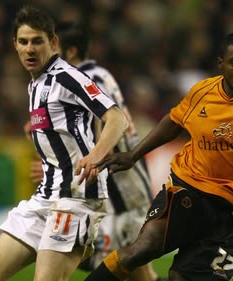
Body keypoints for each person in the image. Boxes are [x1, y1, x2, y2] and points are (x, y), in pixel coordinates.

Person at [85, 31, 233, 281]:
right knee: (141, 249)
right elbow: (174, 122)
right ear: (221, 64)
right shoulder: (202, 91)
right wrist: (133, 155)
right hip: (188, 189)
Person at [0, 5, 128, 281]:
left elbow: (116, 118)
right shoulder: (35, 84)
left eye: (37, 41)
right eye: (23, 42)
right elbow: (63, 134)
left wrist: (96, 154)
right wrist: (50, 166)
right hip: (47, 195)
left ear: (53, 42)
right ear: (15, 45)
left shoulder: (68, 76)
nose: (29, 49)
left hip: (77, 198)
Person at [26, 21, 165, 281]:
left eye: (54, 49)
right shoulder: (96, 76)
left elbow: (100, 129)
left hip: (124, 188)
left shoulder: (88, 78)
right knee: (129, 267)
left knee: (126, 265)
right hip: (118, 185)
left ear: (71, 53)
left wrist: (66, 165)